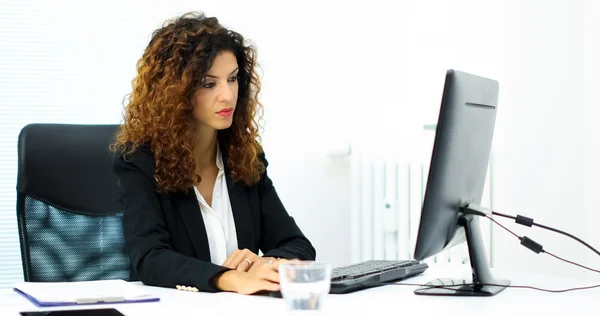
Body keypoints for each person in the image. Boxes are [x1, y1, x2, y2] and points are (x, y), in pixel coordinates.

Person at [111, 12, 315, 295]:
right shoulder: (140, 162)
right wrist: (228, 279)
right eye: (209, 84)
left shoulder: (244, 158)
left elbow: (299, 245)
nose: (228, 95)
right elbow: (150, 258)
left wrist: (265, 262)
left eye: (232, 79)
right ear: (174, 92)